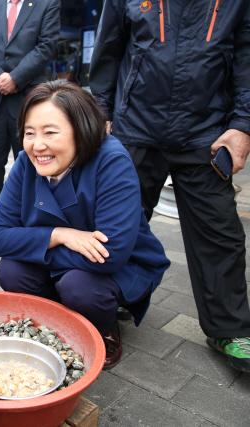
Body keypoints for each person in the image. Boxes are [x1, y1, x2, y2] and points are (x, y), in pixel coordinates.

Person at [89, 0, 250, 373]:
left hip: (207, 133)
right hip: (135, 129)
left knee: (220, 232)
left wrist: (242, 125)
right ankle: (110, 303)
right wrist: (101, 115)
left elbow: (245, 57)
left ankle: (229, 328)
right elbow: (108, 50)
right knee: (115, 227)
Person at [0, 81, 171, 369]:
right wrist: (60, 235)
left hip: (121, 266)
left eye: (50, 132)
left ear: (81, 130)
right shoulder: (26, 162)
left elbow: (111, 253)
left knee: (79, 286)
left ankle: (104, 325)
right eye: (29, 133)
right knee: (11, 271)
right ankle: (60, 317)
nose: (38, 145)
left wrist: (34, 245)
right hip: (72, 254)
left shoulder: (112, 161)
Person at [0, 0, 60, 233]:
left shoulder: (47, 4)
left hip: (28, 97)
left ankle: (34, 213)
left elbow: (46, 45)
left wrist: (16, 78)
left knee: (32, 159)